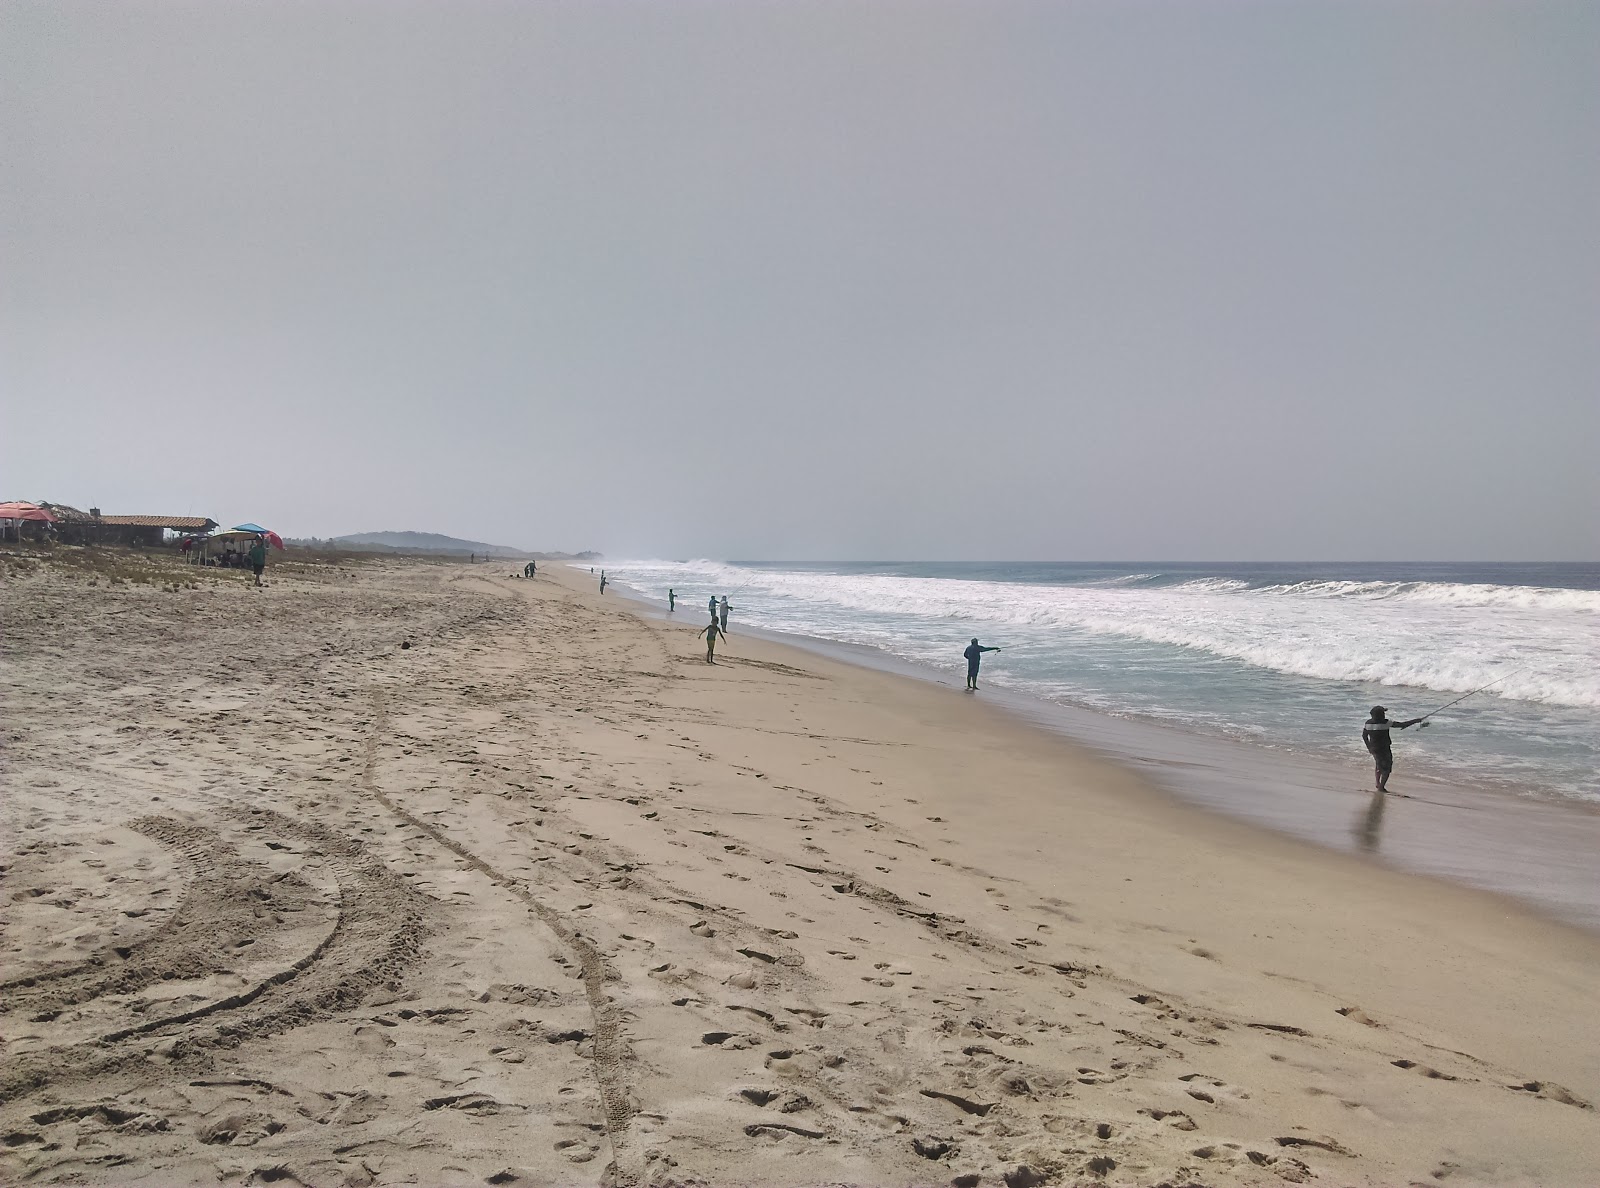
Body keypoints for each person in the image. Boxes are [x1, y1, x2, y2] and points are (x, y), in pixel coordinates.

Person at [1362, 705, 1426, 793]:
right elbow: (1402, 724)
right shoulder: (1385, 723)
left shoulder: (1368, 723)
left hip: (1374, 748)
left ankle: (1377, 782)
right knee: (1387, 769)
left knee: (1378, 765)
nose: (1384, 714)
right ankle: (1381, 787)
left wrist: (1369, 747)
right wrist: (1416, 720)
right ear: (1382, 715)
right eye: (1383, 713)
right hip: (1384, 749)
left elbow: (1364, 736)